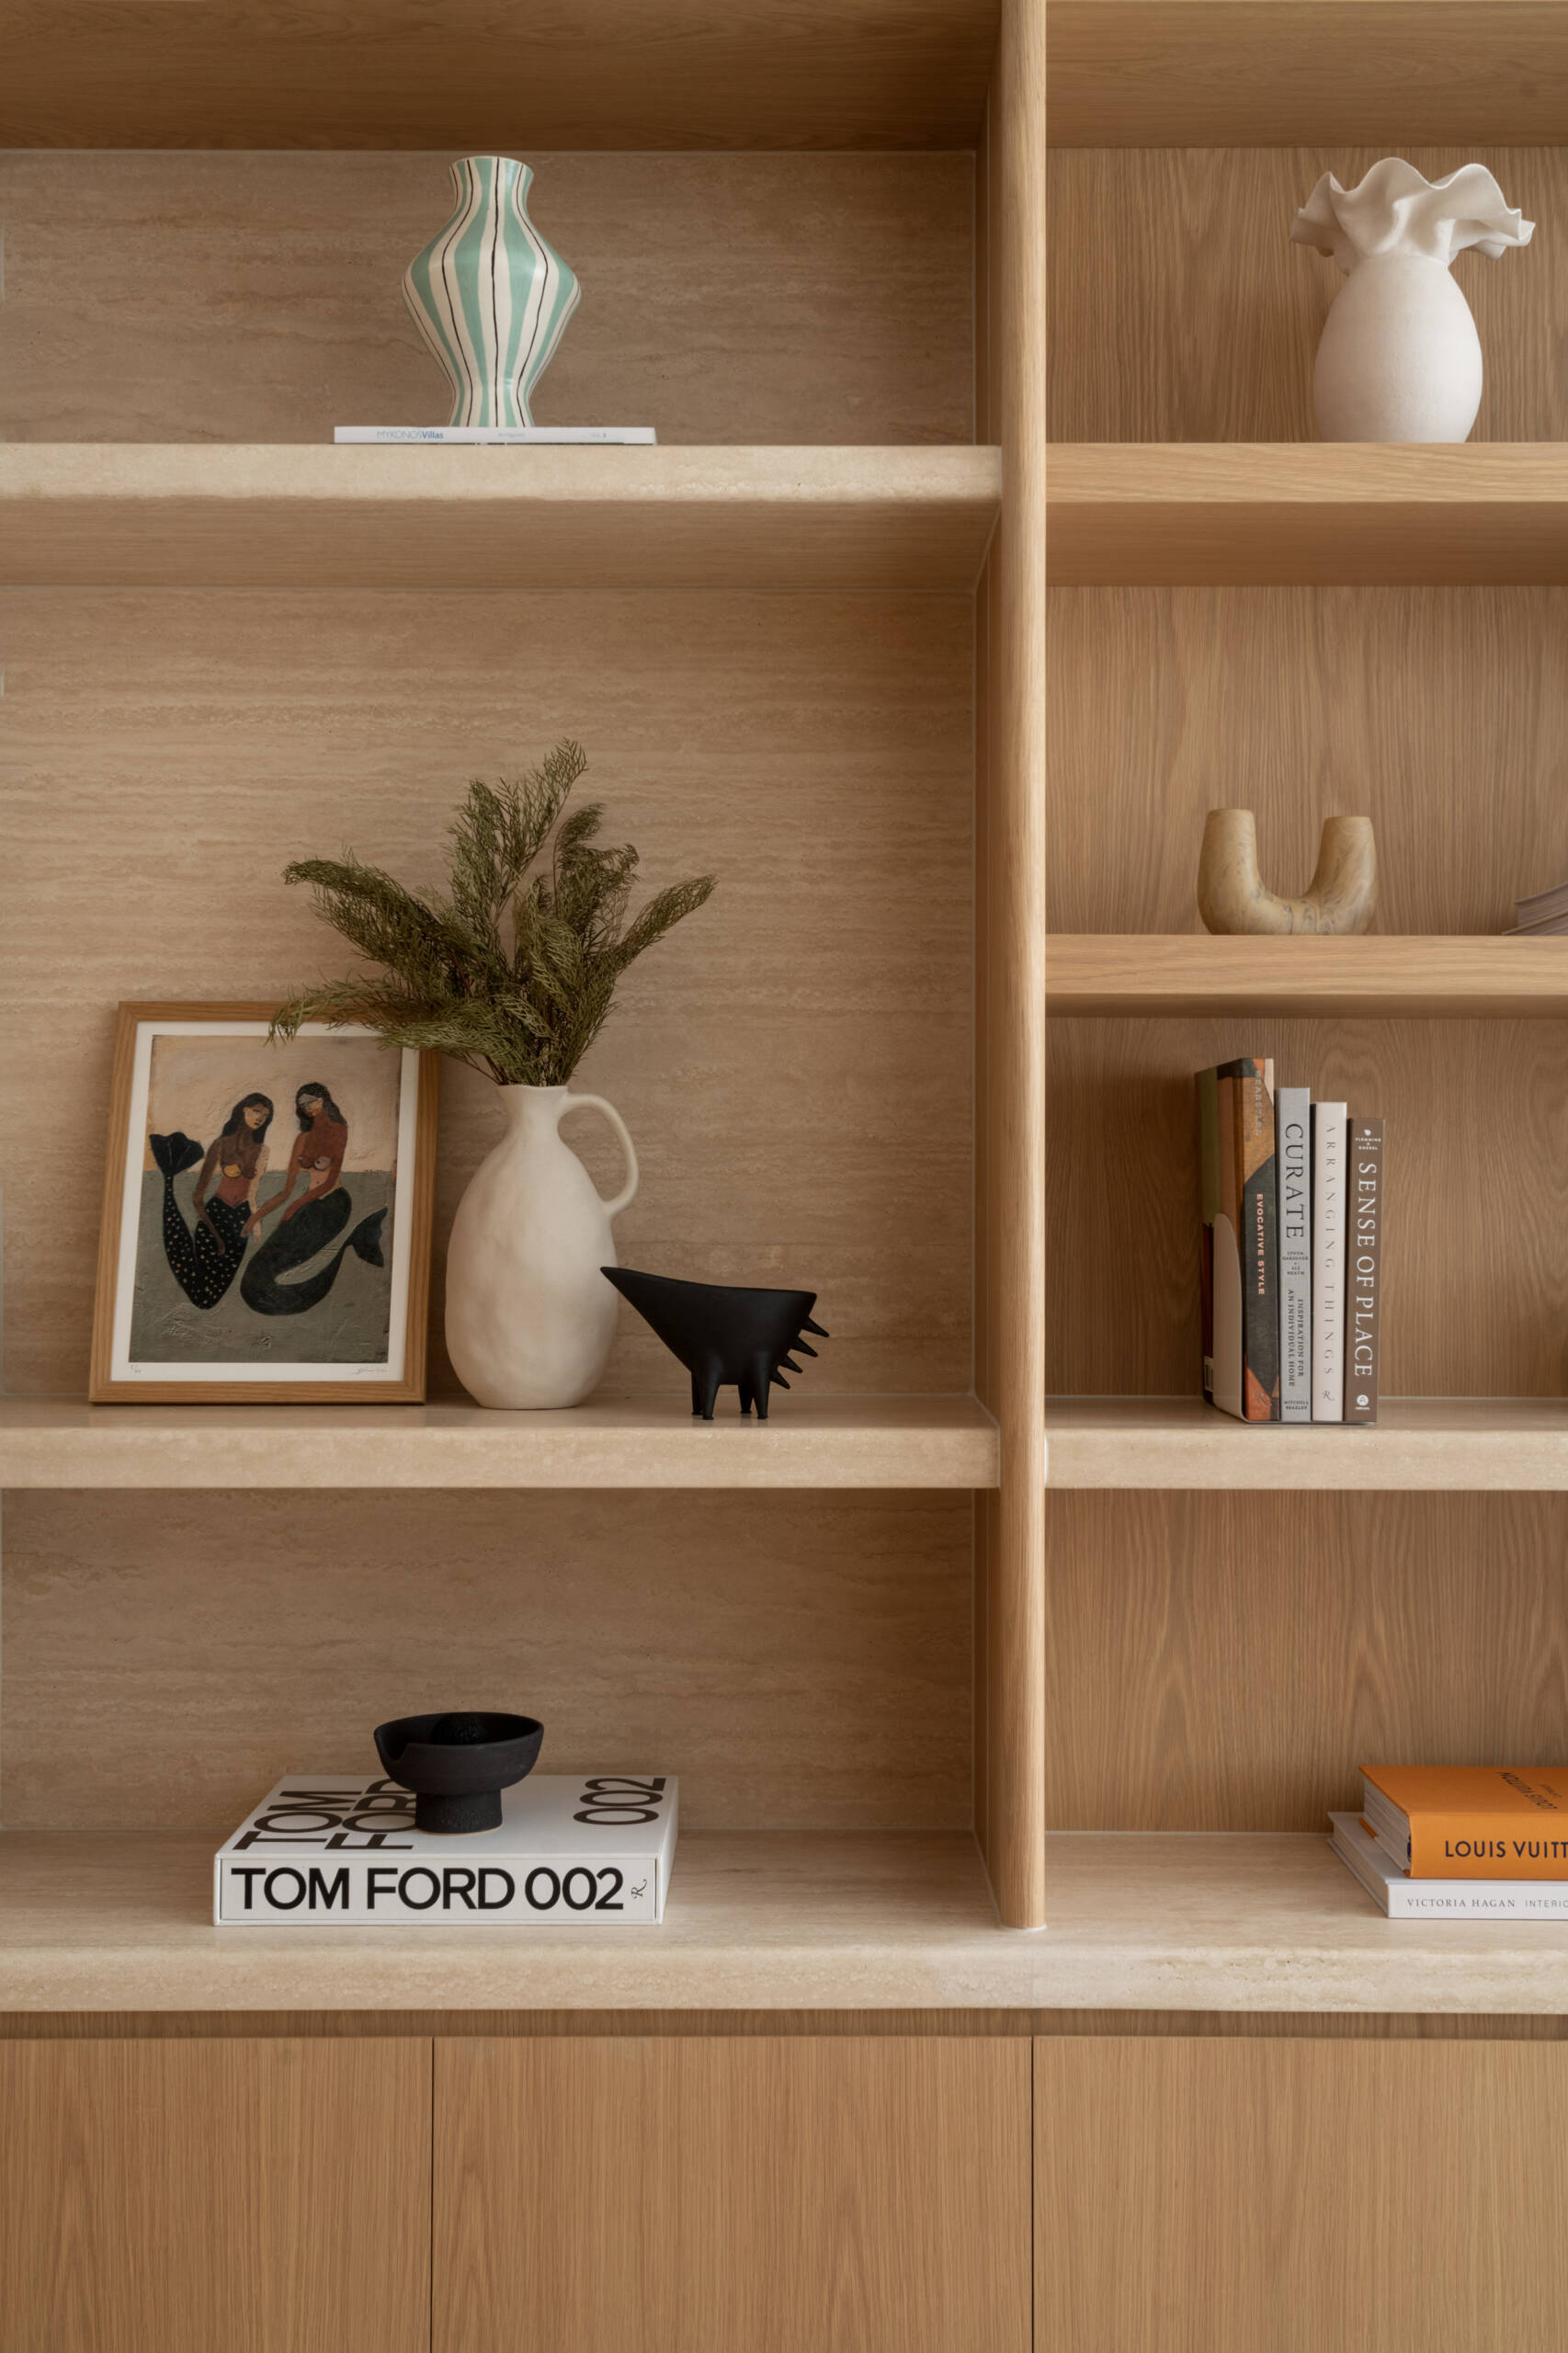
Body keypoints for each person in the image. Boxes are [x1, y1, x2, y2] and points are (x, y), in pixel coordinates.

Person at [240, 1082, 386, 1316]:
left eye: (312, 1101)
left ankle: (350, 1245)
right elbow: (287, 1190)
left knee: (281, 1258)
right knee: (256, 1276)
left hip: (333, 1204)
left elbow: (329, 1182)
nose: (308, 1107)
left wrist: (296, 1207)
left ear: (323, 1099)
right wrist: (256, 1217)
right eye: (303, 1105)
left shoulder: (339, 1131)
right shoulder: (302, 1139)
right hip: (308, 1205)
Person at [149, 1094, 273, 1310]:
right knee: (203, 1296)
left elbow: (252, 1193)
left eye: (265, 1115)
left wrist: (253, 1222)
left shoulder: (262, 1151)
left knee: (215, 1293)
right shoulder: (220, 1145)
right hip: (215, 1217)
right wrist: (217, 1237)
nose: (260, 1118)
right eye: (256, 1111)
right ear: (244, 1110)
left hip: (240, 1222)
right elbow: (197, 1198)